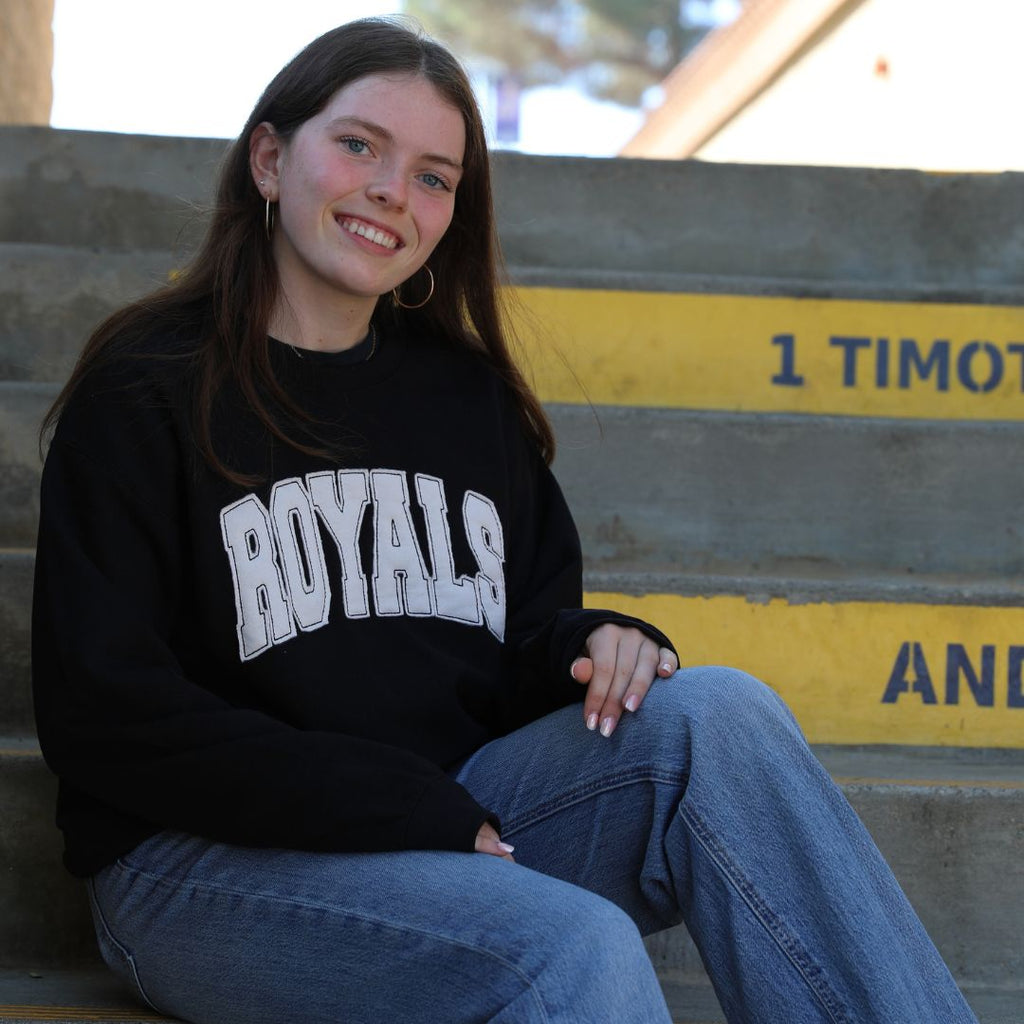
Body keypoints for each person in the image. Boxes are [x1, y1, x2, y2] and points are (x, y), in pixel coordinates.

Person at [32, 18, 978, 1024]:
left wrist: (589, 644)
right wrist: (403, 807)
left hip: (446, 818)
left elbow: (515, 638)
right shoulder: (148, 388)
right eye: (359, 146)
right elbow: (106, 712)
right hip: (199, 865)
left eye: (435, 176)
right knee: (568, 944)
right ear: (270, 157)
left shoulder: (464, 399)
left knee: (719, 717)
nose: (395, 191)